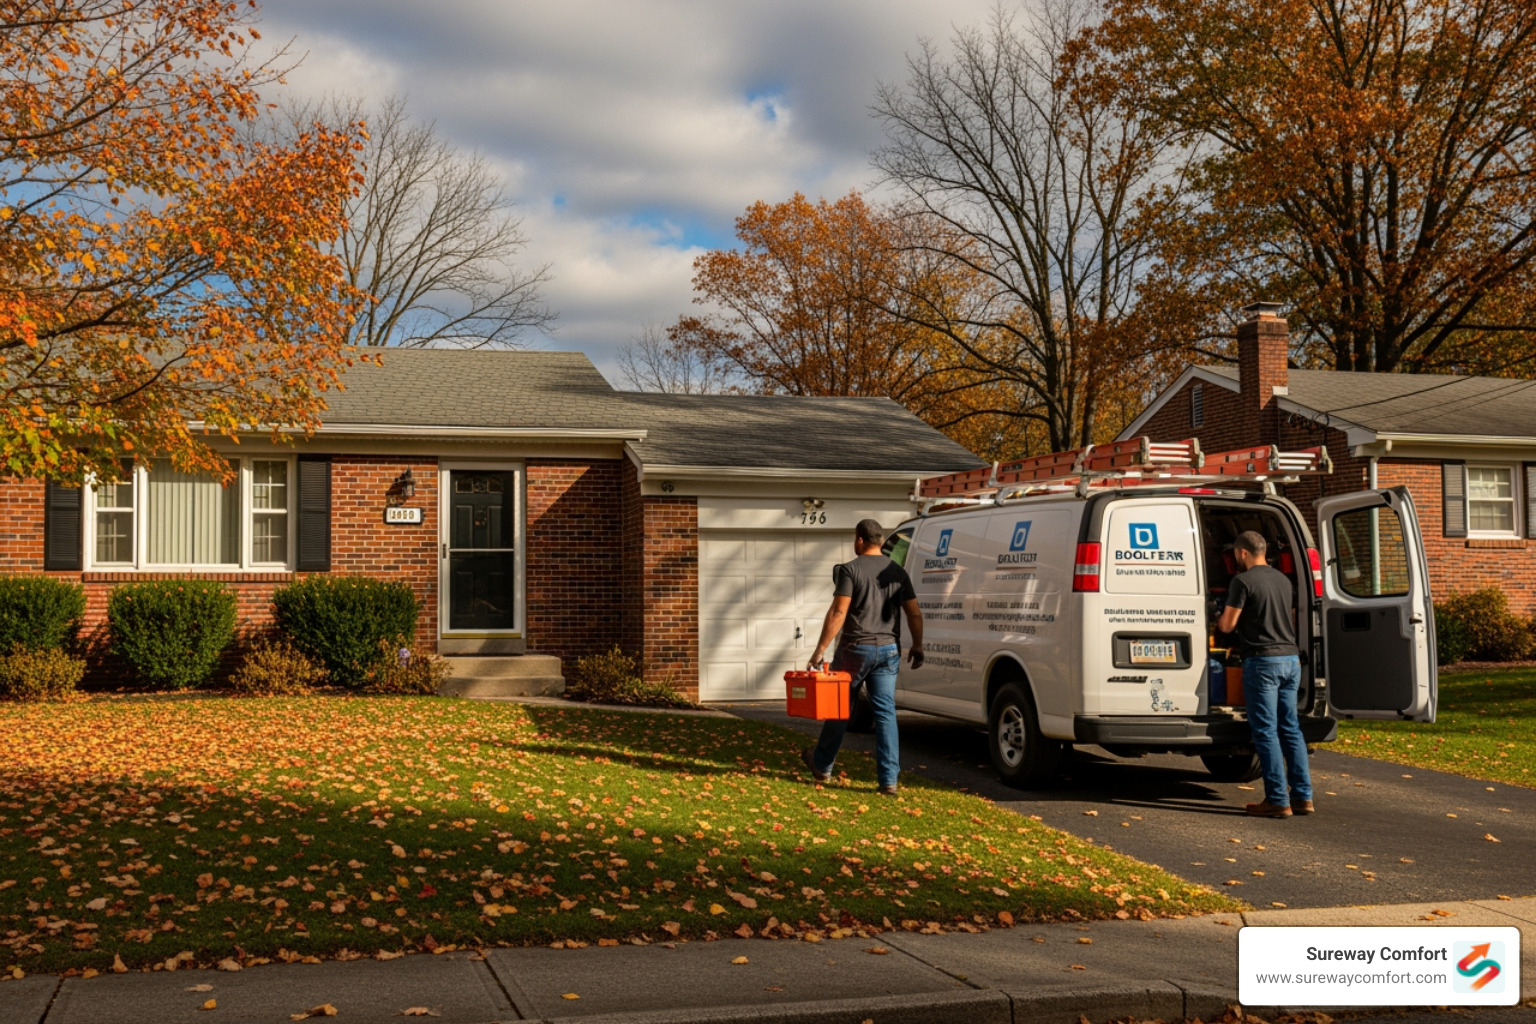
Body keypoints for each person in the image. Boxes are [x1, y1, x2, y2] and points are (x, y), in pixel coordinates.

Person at [801, 519, 924, 796]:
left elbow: (838, 612)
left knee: (840, 707)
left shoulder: (850, 570)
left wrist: (819, 650)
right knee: (885, 714)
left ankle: (822, 765)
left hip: (856, 649)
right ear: (880, 541)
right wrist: (917, 645)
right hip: (889, 650)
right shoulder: (898, 572)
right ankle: (889, 781)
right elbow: (914, 612)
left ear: (859, 540)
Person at [1217, 530, 1314, 818]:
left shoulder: (1242, 581)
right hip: (1290, 660)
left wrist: (1220, 616)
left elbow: (1227, 626)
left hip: (1263, 662)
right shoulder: (1283, 580)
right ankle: (1302, 797)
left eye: (1236, 554)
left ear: (1242, 553)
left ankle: (1276, 800)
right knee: (1291, 729)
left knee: (1266, 731)